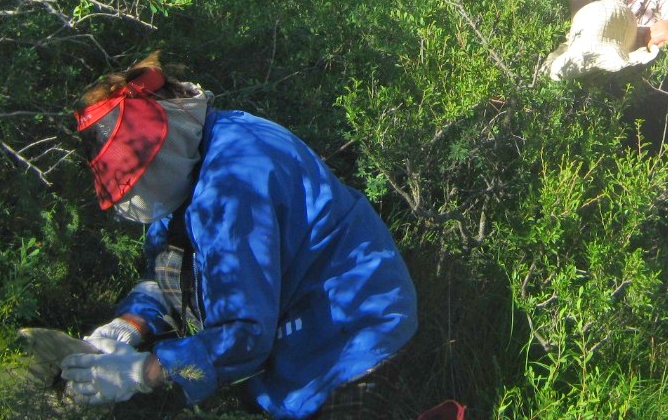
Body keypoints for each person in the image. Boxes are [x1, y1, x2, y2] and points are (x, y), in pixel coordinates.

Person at [60, 53, 418, 419]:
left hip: (351, 332)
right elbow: (167, 272)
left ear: (165, 144)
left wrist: (143, 372)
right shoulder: (187, 164)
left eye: (144, 175)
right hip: (295, 335)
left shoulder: (234, 183)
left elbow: (244, 334)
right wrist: (128, 326)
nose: (142, 192)